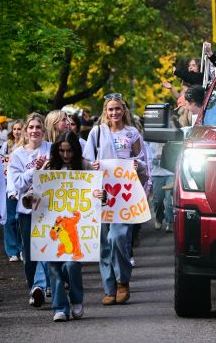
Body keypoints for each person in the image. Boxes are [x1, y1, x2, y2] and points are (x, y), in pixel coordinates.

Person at [83, 94, 149, 306]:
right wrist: (91, 166)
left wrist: (138, 166)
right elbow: (85, 160)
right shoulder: (97, 132)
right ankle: (109, 288)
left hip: (124, 194)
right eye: (110, 109)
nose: (114, 113)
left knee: (118, 238)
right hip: (101, 192)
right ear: (105, 111)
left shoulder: (132, 133)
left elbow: (143, 161)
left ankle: (123, 281)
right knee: (103, 241)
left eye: (118, 109)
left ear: (124, 110)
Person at [44, 131, 99, 321]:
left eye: (69, 151)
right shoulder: (50, 166)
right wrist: (29, 197)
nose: (65, 156)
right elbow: (36, 189)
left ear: (75, 150)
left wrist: (102, 196)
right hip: (52, 224)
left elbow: (100, 192)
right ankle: (59, 307)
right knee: (54, 267)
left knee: (71, 265)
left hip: (76, 226)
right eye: (61, 151)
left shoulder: (85, 166)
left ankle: (76, 299)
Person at [8, 113, 51, 307]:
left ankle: (41, 286)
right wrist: (34, 170)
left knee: (46, 250)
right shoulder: (18, 154)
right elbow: (16, 183)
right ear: (26, 131)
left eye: (38, 127)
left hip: (49, 208)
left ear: (43, 130)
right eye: (31, 127)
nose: (35, 131)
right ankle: (33, 287)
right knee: (30, 254)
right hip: (26, 210)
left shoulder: (51, 149)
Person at [0, 119, 23, 262]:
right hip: (7, 183)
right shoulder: (6, 145)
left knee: (20, 218)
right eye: (14, 129)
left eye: (19, 129)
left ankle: (22, 248)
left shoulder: (27, 146)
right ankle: (12, 250)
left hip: (22, 184)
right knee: (9, 219)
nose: (16, 132)